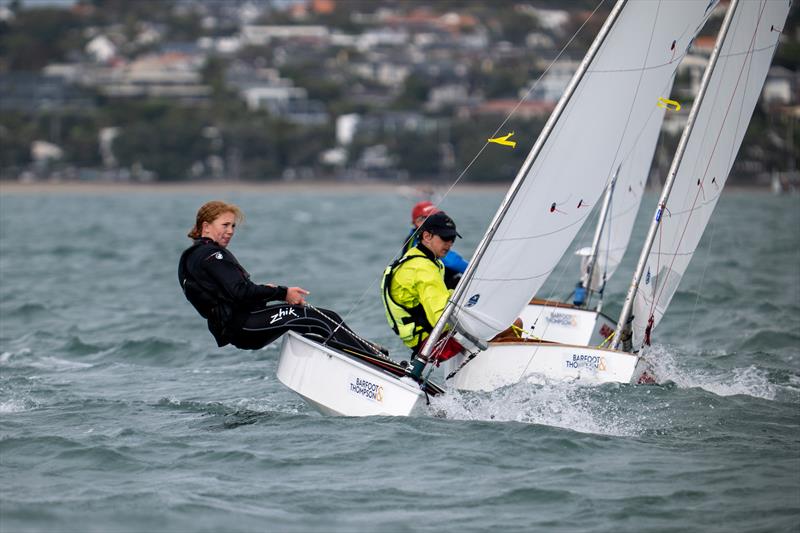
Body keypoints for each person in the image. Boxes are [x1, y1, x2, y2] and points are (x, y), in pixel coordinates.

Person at [179, 200, 380, 355]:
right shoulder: (211, 254)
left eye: (233, 226)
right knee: (323, 319)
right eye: (225, 225)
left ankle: (361, 352)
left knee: (316, 322)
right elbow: (240, 291)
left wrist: (263, 292)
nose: (230, 231)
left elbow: (228, 292)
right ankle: (374, 360)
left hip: (239, 327)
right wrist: (283, 292)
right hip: (244, 325)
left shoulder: (196, 255)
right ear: (206, 227)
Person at [383, 211, 465, 378]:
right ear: (427, 236)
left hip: (419, 335)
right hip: (429, 339)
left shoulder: (416, 258)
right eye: (444, 238)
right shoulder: (423, 269)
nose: (449, 244)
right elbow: (440, 319)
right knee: (513, 324)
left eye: (452, 240)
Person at [403, 201, 468, 290]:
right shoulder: (421, 241)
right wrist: (478, 272)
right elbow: (453, 262)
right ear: (418, 222)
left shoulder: (414, 237)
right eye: (432, 217)